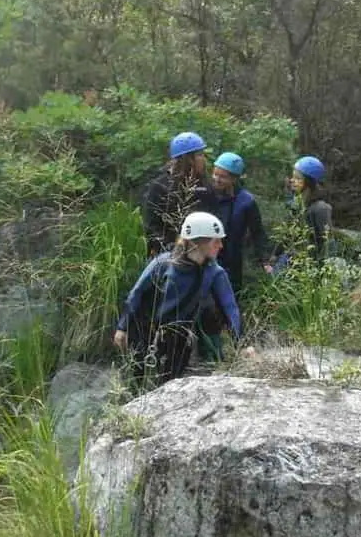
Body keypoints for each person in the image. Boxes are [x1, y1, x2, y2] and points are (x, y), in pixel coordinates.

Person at [113, 212, 247, 386]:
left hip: (179, 339)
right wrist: (122, 328)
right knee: (135, 383)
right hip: (144, 332)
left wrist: (242, 344)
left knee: (169, 384)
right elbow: (136, 294)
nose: (221, 246)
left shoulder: (214, 272)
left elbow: (230, 308)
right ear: (195, 242)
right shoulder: (163, 264)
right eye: (216, 241)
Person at [140, 131, 217, 256]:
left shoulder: (205, 186)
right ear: (187, 159)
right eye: (200, 155)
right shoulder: (160, 186)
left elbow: (214, 219)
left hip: (201, 254)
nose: (204, 159)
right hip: (167, 255)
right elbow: (152, 227)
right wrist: (171, 249)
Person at [210, 152, 272, 293]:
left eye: (222, 177)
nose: (216, 179)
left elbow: (257, 232)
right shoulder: (208, 194)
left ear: (234, 178)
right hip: (209, 255)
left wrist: (265, 259)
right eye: (215, 174)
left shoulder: (246, 201)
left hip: (232, 258)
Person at [270, 155, 333, 273]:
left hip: (309, 265)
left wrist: (324, 271)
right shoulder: (296, 204)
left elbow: (328, 242)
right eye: (293, 177)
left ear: (309, 182)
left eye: (298, 178)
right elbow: (287, 233)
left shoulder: (320, 208)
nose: (292, 180)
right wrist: (275, 255)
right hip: (290, 259)